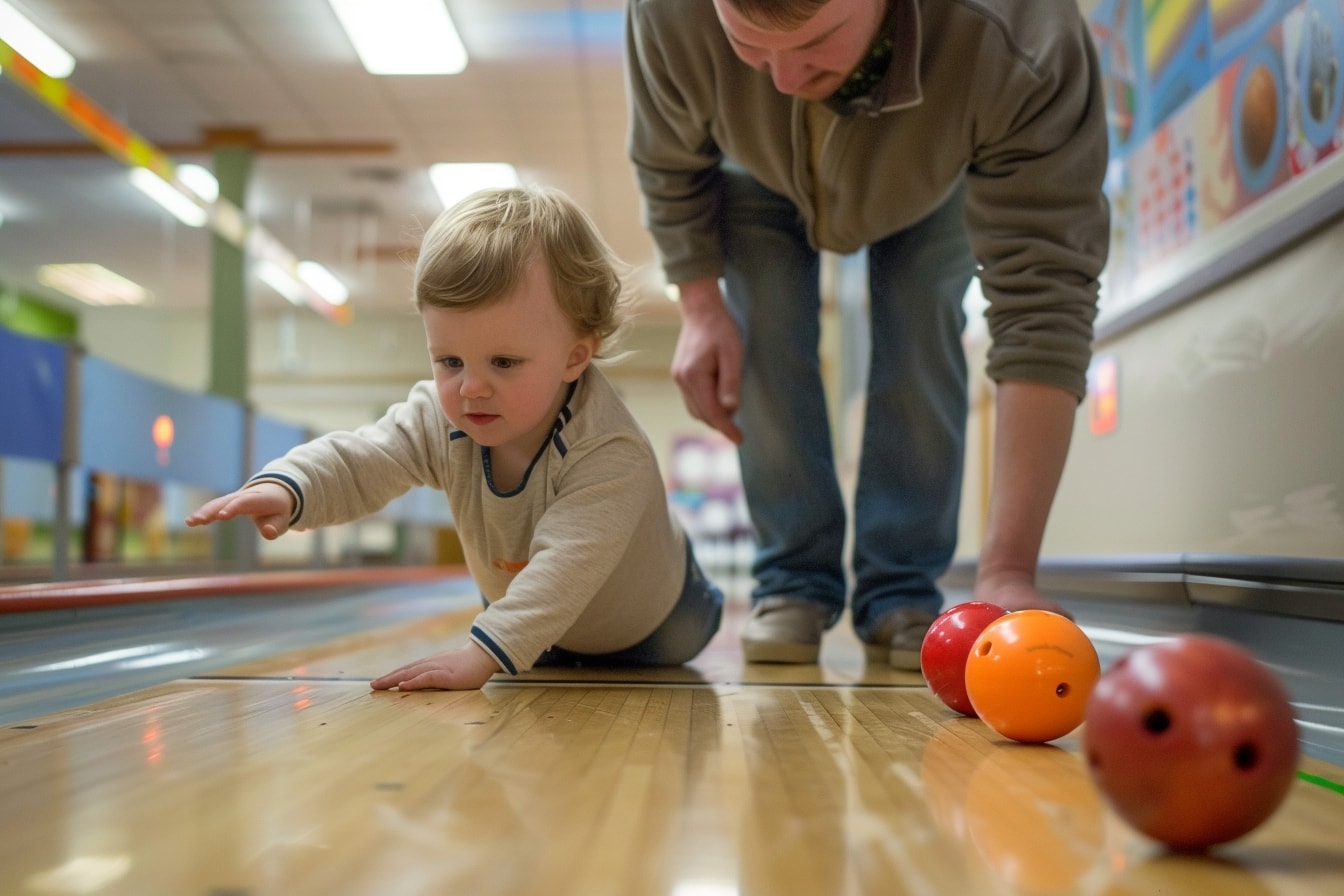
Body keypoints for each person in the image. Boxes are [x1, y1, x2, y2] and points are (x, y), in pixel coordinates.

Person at [624, 0, 1110, 669]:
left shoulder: (1023, 37)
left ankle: (903, 593)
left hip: (934, 164)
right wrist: (702, 305)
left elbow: (1044, 297)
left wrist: (1008, 571)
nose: (785, 79)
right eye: (750, 47)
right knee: (760, 331)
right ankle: (791, 582)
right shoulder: (665, 10)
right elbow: (666, 156)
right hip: (752, 172)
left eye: (815, 43)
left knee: (921, 331)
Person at [186, 186, 724, 690]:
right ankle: (528, 641)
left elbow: (564, 566)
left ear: (575, 356)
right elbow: (366, 458)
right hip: (546, 632)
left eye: (504, 362)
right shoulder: (439, 420)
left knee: (571, 612)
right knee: (529, 634)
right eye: (449, 360)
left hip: (658, 626)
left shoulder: (609, 450)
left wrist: (481, 657)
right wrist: (290, 486)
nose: (471, 387)